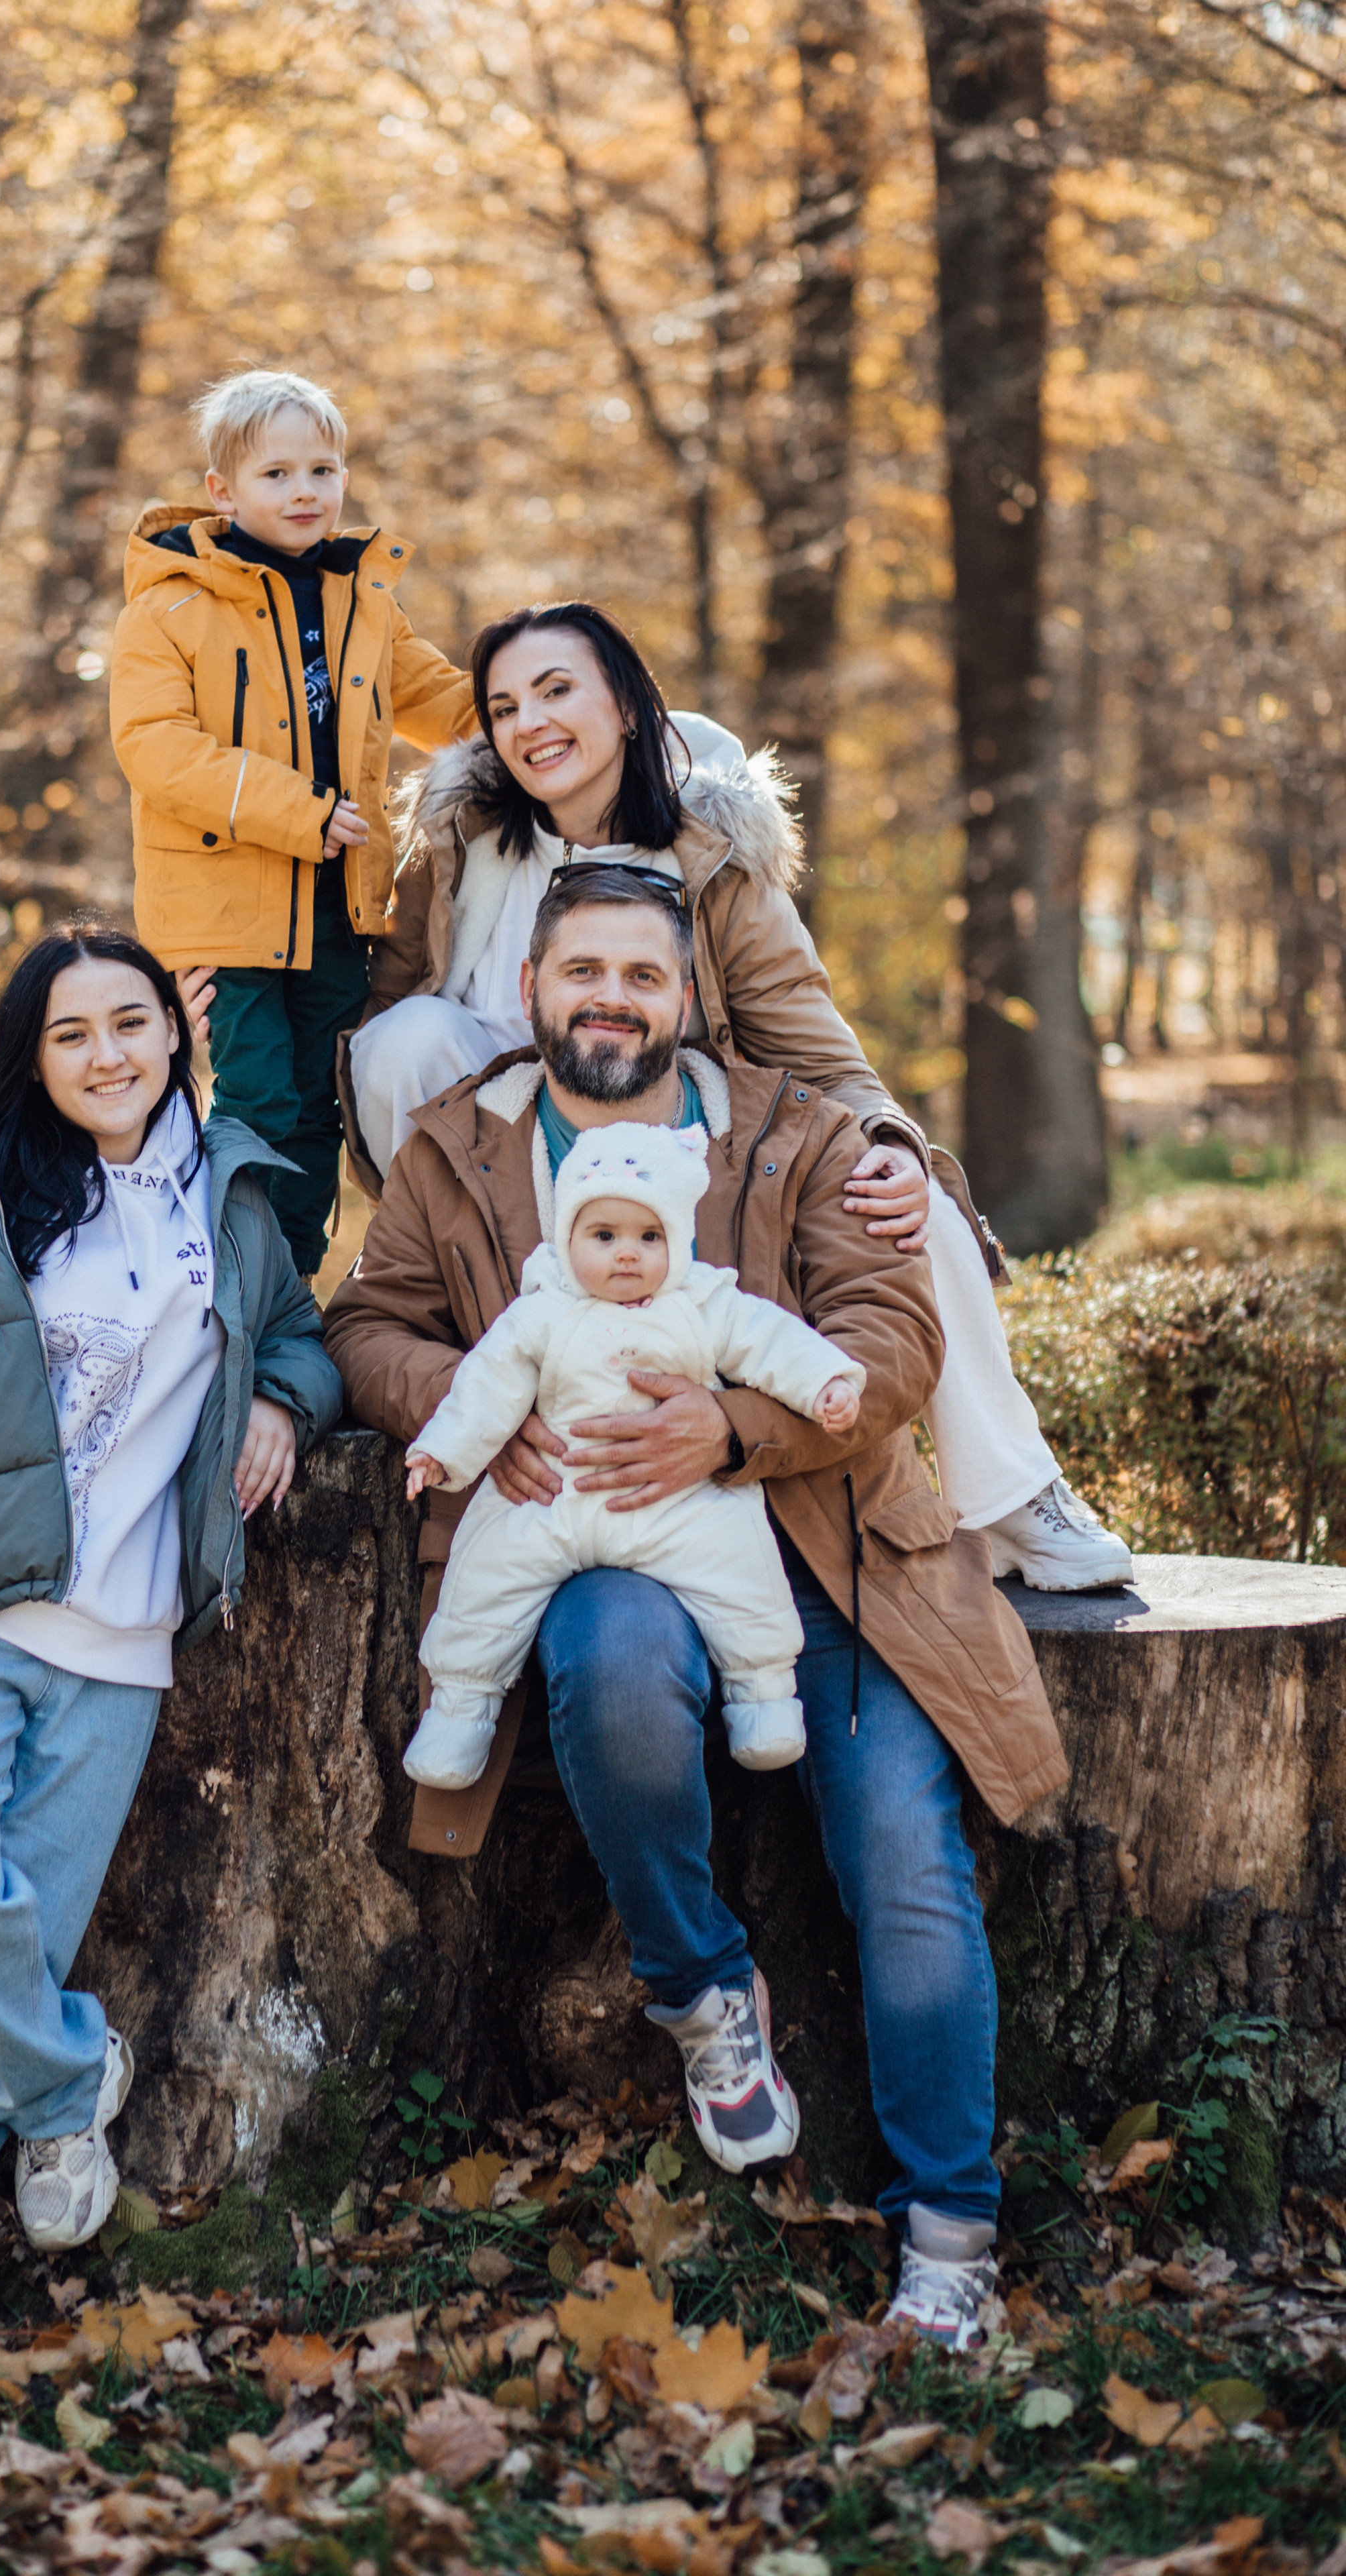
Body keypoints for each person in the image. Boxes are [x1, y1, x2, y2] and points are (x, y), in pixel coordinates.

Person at [324, 866, 1067, 2346]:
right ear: (531, 986)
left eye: (641, 977)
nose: (609, 999)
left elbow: (893, 1332)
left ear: (686, 996)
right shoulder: (458, 1140)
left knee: (901, 1861)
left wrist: (735, 1424)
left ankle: (948, 2231)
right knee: (603, 1664)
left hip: (835, 1550)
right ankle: (701, 1988)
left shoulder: (795, 1131)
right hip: (612, 1544)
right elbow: (367, 1317)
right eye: (579, 971)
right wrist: (479, 1414)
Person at [341, 600, 1133, 1593]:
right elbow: (375, 1011)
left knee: (906, 1201)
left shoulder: (709, 852)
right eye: (502, 707)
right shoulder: (463, 843)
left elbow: (811, 1038)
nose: (529, 723)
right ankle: (488, 1319)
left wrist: (888, 1138)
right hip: (510, 1171)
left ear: (626, 707)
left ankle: (1015, 1499)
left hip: (688, 1163)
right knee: (401, 1038)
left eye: (556, 691)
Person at [0, 926, 341, 2347]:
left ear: (175, 1034)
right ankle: (59, 2081)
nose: (106, 1056)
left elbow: (298, 1338)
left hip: (119, 1653)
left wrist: (280, 1396)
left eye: (131, 1024)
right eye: (71, 1034)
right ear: (30, 1057)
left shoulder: (231, 1203)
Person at [109, 367, 477, 1281]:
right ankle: (237, 1288)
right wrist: (298, 814)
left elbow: (439, 702)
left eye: (324, 469)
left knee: (321, 1105)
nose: (306, 490)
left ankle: (292, 1298)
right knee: (258, 1100)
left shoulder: (364, 602)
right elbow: (155, 746)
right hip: (223, 909)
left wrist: (562, 710)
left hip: (337, 905)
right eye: (277, 475)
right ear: (222, 493)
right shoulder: (169, 608)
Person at [402, 1118, 864, 1792]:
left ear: (676, 1240)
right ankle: (459, 1710)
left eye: (649, 1237)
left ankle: (763, 1697)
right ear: (566, 1240)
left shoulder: (703, 1303)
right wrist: (442, 1452)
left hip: (678, 1502)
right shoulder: (541, 1312)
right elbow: (486, 1387)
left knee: (742, 1569)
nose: (627, 1254)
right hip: (553, 1493)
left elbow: (772, 1341)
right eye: (604, 1236)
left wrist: (825, 1383)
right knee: (484, 1579)